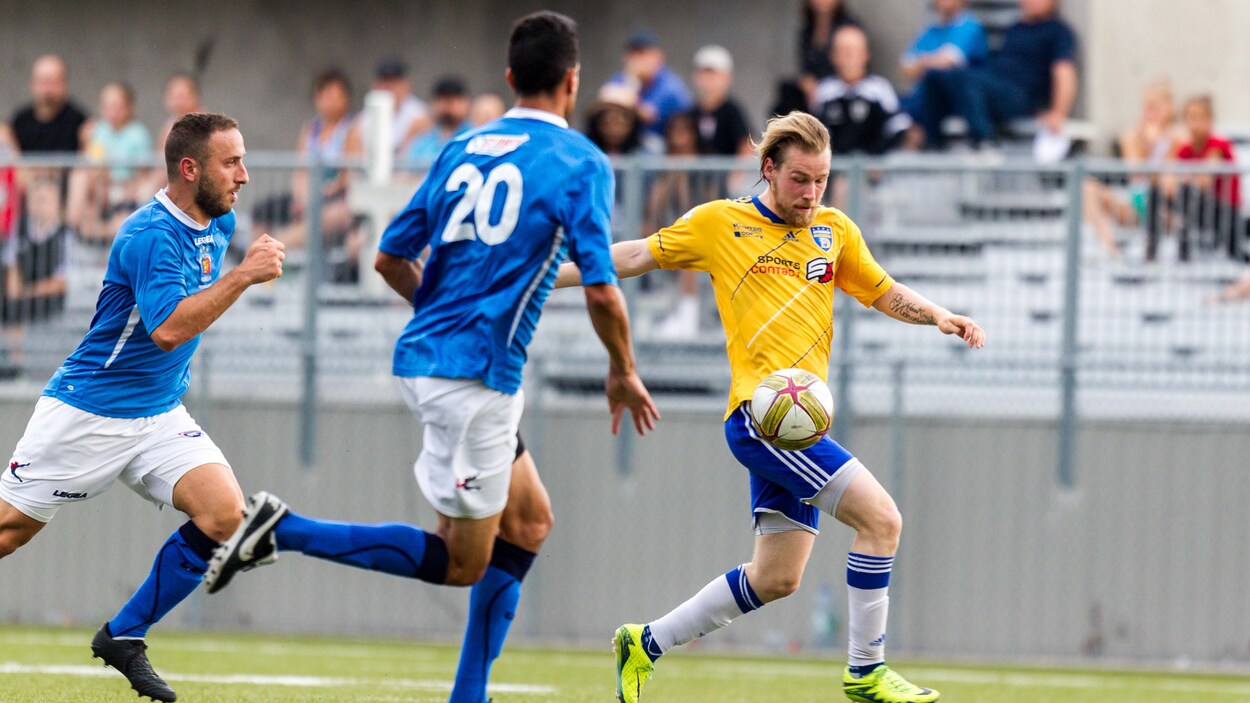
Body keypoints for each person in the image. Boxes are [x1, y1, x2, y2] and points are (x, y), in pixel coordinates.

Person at [204, 12, 660, 703]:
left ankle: (466, 697)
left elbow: (389, 257)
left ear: (509, 78)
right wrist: (623, 370)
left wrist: (447, 321)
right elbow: (601, 289)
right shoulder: (582, 162)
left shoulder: (464, 145)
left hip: (433, 356)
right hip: (475, 381)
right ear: (573, 81)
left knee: (530, 520)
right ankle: (285, 527)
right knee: (459, 563)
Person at [554, 112, 985, 703]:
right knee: (882, 521)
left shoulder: (834, 232)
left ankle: (644, 643)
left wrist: (936, 313)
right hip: (762, 421)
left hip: (797, 420)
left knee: (777, 578)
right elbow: (631, 257)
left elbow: (882, 289)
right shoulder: (719, 224)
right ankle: (866, 673)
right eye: (799, 180)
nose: (811, 194)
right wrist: (540, 278)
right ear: (769, 171)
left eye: (821, 181)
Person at [0, 112, 285, 702]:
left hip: (158, 413)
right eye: (231, 162)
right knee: (7, 532)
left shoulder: (217, 220)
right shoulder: (149, 234)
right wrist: (243, 277)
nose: (245, 175)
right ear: (190, 169)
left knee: (226, 515)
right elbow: (168, 330)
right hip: (89, 413)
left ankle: (124, 636)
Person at [915, 0, 1077, 149]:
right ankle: (932, 144)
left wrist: (1058, 113)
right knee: (935, 76)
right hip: (994, 86)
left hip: (1021, 97)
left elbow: (1064, 71)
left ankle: (984, 141)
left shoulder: (1058, 31)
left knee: (964, 78)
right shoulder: (1016, 28)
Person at [1082, 78, 1179, 258]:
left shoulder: (1178, 140)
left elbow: (1168, 181)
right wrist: (1146, 146)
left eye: (1155, 107)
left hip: (1164, 211)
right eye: (1147, 107)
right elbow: (1135, 173)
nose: (1149, 113)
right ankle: (1110, 248)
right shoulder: (1131, 137)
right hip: (1137, 206)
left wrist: (1159, 144)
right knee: (1088, 188)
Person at [1147, 95, 1241, 262]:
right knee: (1157, 192)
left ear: (1209, 120)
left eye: (1198, 117)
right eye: (1190, 117)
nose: (1193, 123)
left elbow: (1206, 178)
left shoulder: (1218, 145)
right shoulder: (1185, 149)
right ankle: (1151, 254)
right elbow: (1169, 174)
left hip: (1224, 212)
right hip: (1196, 206)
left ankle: (1186, 255)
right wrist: (1168, 181)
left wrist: (1180, 181)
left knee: (1187, 192)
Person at [68, 82, 154, 241]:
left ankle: (103, 230)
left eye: (116, 105)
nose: (111, 110)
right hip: (102, 185)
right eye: (107, 105)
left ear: (128, 107)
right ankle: (74, 226)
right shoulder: (98, 131)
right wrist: (84, 142)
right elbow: (91, 161)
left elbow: (143, 174)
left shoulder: (138, 134)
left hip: (126, 187)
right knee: (79, 176)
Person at [1, 176, 72, 368]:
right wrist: (14, 287)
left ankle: (17, 362)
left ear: (57, 204)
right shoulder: (21, 225)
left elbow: (61, 281)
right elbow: (11, 261)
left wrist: (26, 293)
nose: (39, 205)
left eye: (45, 200)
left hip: (45, 295)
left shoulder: (64, 234)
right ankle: (13, 360)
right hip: (21, 292)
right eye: (36, 199)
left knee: (19, 307)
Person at [813, 25, 912, 155]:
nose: (849, 57)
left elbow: (898, 124)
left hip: (874, 166)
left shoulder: (879, 89)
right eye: (843, 51)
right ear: (833, 56)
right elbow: (814, 133)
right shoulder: (824, 91)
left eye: (854, 51)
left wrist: (877, 158)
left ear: (866, 55)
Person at [898, 0, 988, 142]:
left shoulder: (969, 26)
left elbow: (947, 63)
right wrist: (930, 61)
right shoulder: (930, 31)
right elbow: (907, 68)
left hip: (950, 102)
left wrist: (922, 62)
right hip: (920, 99)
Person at [604, 29, 692, 140]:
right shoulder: (622, 77)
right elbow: (605, 100)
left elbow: (650, 117)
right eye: (633, 54)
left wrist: (629, 88)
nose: (637, 60)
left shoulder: (670, 85)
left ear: (658, 56)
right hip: (630, 147)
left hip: (665, 148)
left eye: (642, 54)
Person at [9, 55, 89, 155]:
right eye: (43, 82)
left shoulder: (78, 122)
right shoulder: (20, 121)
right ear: (32, 84)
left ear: (64, 84)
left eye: (53, 82)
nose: (47, 90)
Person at [365, 59, 432, 157]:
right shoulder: (364, 117)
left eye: (394, 82)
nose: (388, 87)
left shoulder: (419, 114)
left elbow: (406, 157)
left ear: (406, 85)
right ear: (375, 85)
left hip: (406, 171)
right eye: (384, 81)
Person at [798, 0, 859, 102]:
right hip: (813, 92)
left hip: (841, 88)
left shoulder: (848, 28)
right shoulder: (807, 31)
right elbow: (805, 68)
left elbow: (854, 68)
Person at [403, 76, 472, 164]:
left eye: (452, 101)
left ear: (465, 103)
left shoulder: (475, 138)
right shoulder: (423, 141)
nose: (447, 108)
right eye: (442, 100)